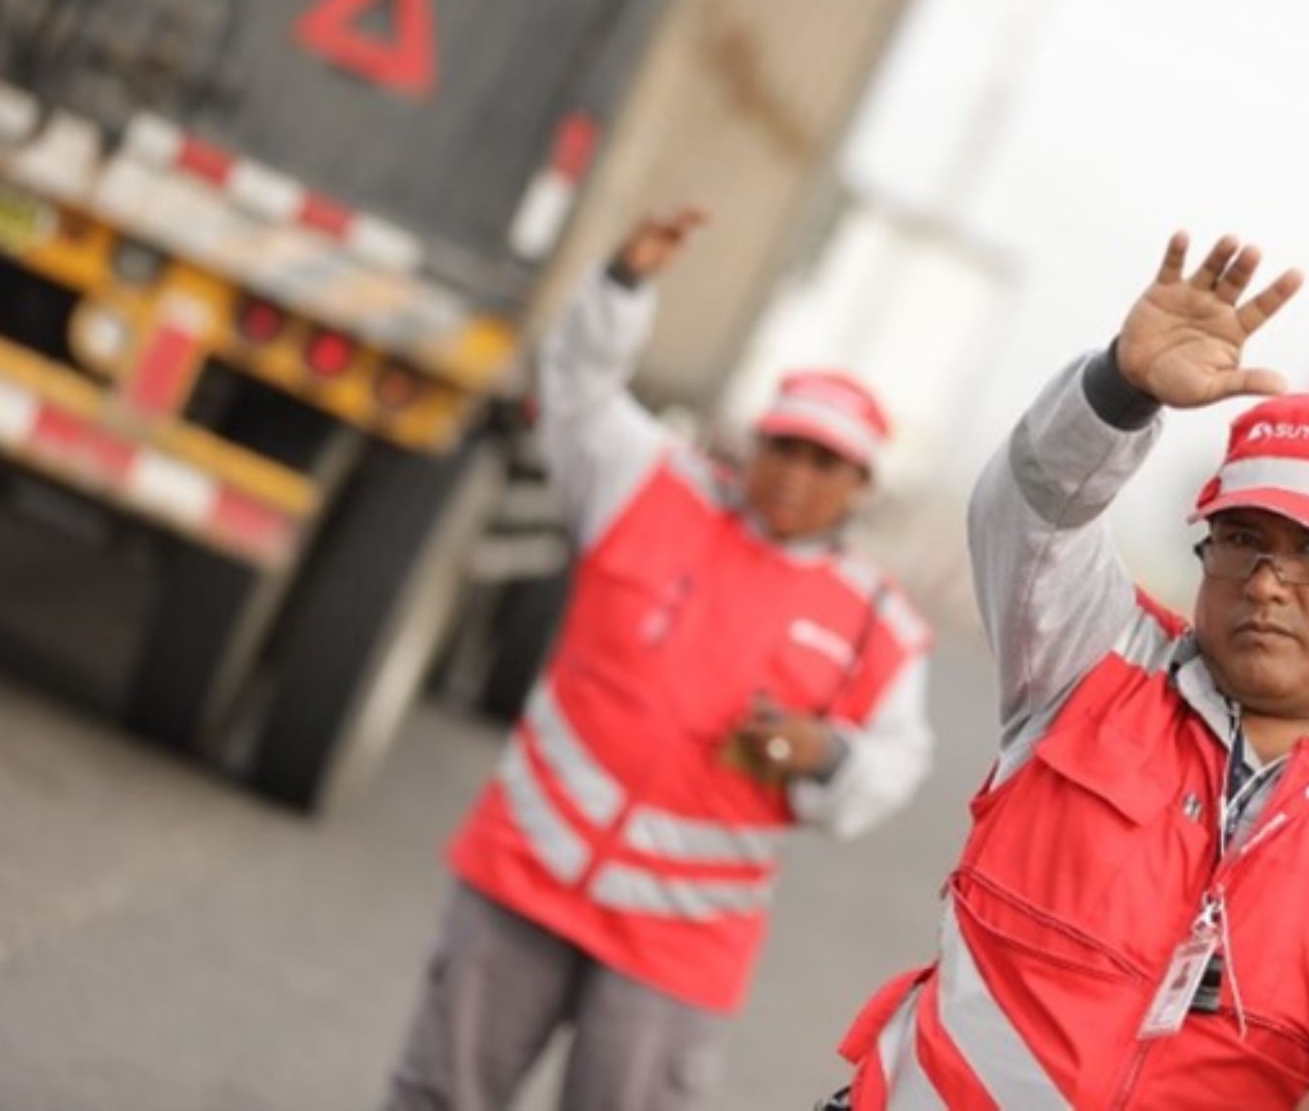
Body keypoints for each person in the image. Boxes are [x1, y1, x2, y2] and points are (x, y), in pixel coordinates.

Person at [825, 231, 1309, 1111]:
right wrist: (1115, 394)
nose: (1269, 581)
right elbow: (1029, 512)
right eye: (1243, 540)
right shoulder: (1095, 659)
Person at [383, 207, 934, 1111]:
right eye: (785, 445)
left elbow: (896, 761)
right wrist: (622, 287)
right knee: (441, 1095)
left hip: (681, 938)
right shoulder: (651, 486)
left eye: (825, 460)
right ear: (756, 442)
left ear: (860, 485)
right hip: (530, 870)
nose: (796, 472)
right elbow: (577, 387)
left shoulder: (881, 622)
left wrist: (824, 753)